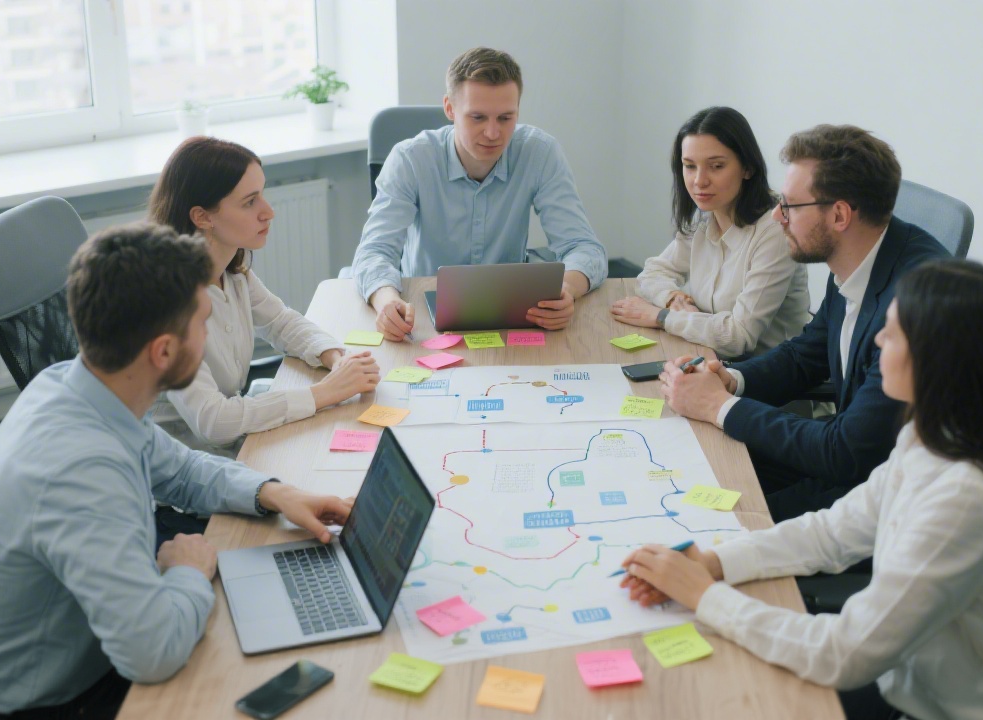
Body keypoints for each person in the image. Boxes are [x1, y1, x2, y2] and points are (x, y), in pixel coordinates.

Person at [622, 261, 983, 720]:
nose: (876, 339)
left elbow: (843, 655)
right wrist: (717, 562)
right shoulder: (937, 434)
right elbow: (835, 532)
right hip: (919, 680)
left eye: (892, 332)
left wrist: (706, 596)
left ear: (936, 359)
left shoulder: (967, 499)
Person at [0, 224, 359, 718]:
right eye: (202, 322)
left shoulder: (74, 385)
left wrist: (274, 491)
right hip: (40, 700)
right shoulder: (82, 475)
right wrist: (188, 573)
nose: (210, 332)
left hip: (80, 641)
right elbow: (151, 654)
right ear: (163, 352)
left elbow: (180, 470)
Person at [659, 124, 949, 522]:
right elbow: (804, 356)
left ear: (840, 215)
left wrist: (720, 406)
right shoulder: (859, 258)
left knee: (717, 522)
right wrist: (732, 380)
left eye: (790, 206)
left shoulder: (912, 308)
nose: (776, 217)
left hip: (893, 496)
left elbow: (849, 454)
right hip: (853, 454)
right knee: (692, 466)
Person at [352, 47, 608, 340]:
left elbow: (585, 248)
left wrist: (568, 289)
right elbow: (374, 252)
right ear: (449, 108)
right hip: (422, 320)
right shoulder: (410, 159)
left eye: (505, 118)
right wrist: (386, 301)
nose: (492, 133)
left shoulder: (540, 152)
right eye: (477, 117)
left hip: (512, 317)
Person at [148, 137, 379, 450]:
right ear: (202, 216)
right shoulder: (163, 304)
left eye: (262, 195)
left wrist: (335, 358)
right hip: (187, 467)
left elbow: (280, 322)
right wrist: (325, 393)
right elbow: (213, 423)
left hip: (232, 443)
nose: (268, 212)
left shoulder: (230, 268)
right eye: (249, 202)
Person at [610, 106, 809, 359]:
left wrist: (662, 317)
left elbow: (738, 337)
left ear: (748, 168)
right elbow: (653, 272)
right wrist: (672, 298)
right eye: (689, 166)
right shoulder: (706, 214)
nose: (699, 181)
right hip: (709, 360)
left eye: (716, 166)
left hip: (766, 384)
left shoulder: (775, 229)